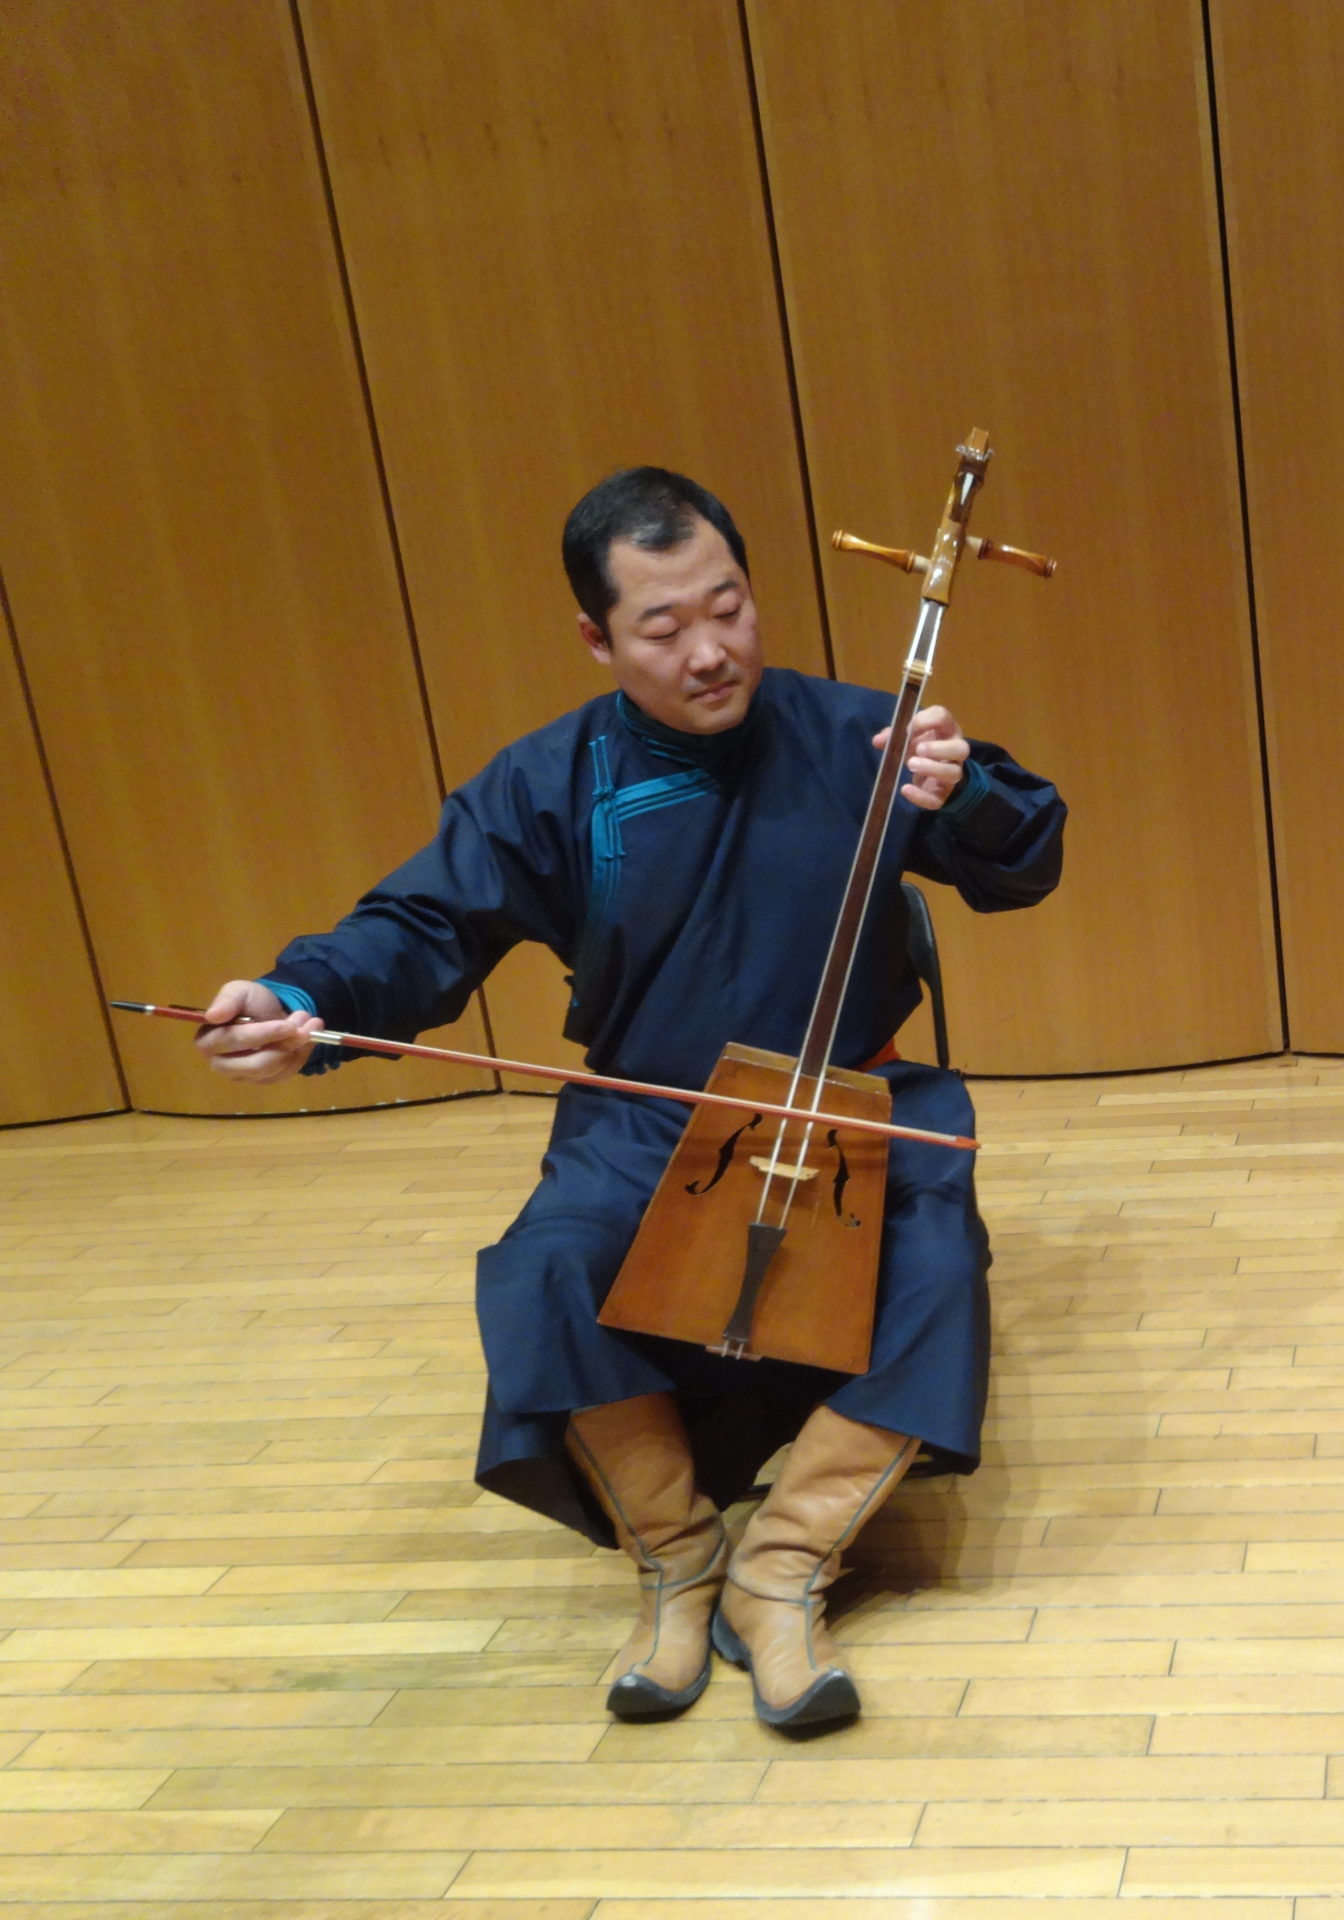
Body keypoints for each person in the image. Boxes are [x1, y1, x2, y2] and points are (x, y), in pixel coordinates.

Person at [193, 468, 1065, 1727]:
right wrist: (299, 999)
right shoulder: (551, 782)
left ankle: (782, 1571)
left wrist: (966, 792)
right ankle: (681, 1561)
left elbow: (1024, 857)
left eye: (730, 608)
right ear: (597, 639)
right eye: (663, 627)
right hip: (653, 1113)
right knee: (546, 1267)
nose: (711, 652)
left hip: (848, 1099)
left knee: (936, 1264)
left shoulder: (861, 737)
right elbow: (423, 924)